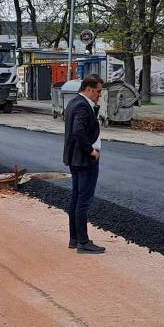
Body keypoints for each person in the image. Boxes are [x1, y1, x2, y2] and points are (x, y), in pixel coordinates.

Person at [63, 74, 106, 254]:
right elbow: (78, 131)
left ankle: (74, 238)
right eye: (98, 91)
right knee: (83, 201)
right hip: (84, 160)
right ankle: (83, 242)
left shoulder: (73, 102)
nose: (100, 95)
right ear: (88, 89)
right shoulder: (82, 105)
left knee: (76, 198)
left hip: (74, 159)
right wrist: (91, 151)